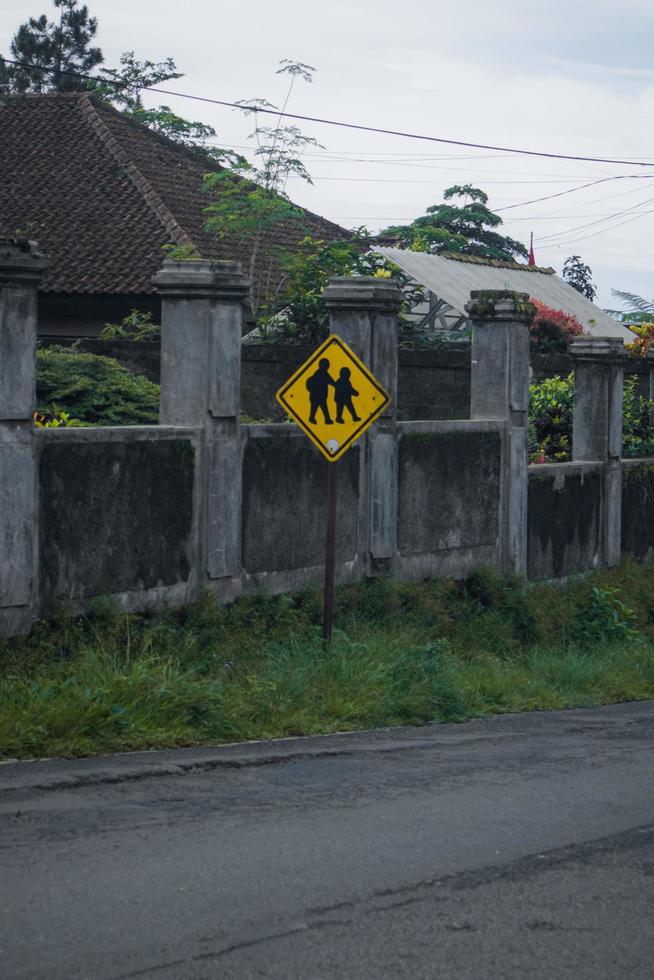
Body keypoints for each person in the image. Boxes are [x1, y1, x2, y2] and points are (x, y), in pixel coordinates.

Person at [306, 358, 335, 424]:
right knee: (321, 407)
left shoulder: (318, 372)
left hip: (315, 395)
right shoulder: (323, 373)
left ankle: (314, 418)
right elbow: (332, 382)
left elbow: (331, 382)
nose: (328, 366)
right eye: (327, 365)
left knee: (317, 407)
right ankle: (326, 419)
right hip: (319, 395)